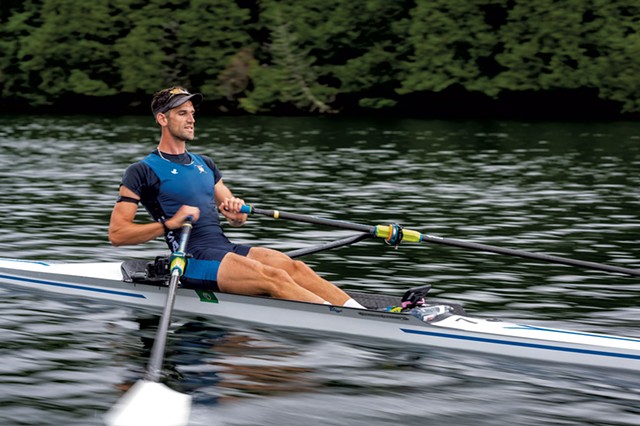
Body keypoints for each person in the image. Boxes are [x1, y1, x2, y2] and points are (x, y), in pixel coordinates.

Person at [108, 86, 365, 309]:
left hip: (224, 248)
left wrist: (236, 211)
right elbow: (118, 235)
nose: (191, 120)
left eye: (192, 113)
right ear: (162, 119)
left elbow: (237, 217)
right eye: (182, 113)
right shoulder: (142, 170)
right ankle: (336, 317)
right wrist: (169, 224)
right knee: (272, 276)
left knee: (293, 267)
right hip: (192, 258)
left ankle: (358, 310)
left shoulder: (205, 164)